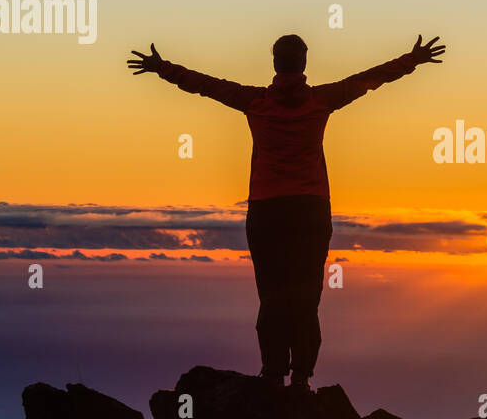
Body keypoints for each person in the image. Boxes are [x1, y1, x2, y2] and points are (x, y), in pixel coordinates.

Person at [127, 33, 446, 390]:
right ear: (304, 63)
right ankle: (302, 377)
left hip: (268, 211)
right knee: (306, 295)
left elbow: (207, 86)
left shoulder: (256, 101)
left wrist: (161, 68)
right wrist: (412, 60)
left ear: (275, 63)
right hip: (310, 210)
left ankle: (274, 372)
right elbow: (368, 81)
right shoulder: (321, 100)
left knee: (273, 295)